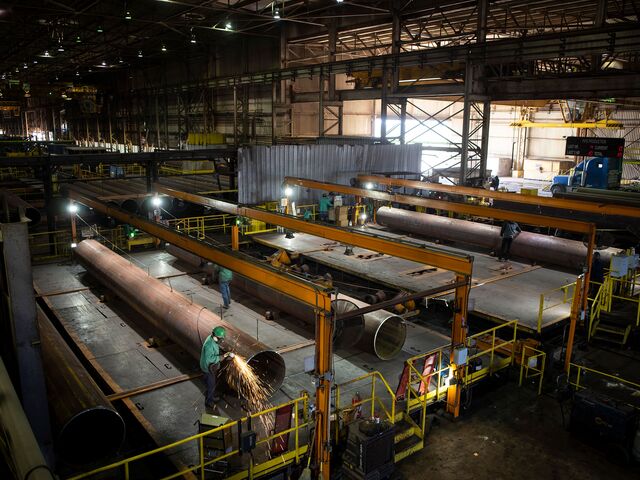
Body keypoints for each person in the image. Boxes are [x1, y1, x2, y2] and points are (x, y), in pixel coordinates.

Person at [200, 326, 233, 409]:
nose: (221, 340)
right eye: (220, 338)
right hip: (207, 368)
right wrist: (224, 355)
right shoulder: (209, 345)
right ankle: (209, 402)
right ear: (215, 336)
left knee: (212, 384)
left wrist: (223, 352)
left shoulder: (212, 338)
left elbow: (215, 348)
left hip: (210, 366)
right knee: (211, 385)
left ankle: (211, 397)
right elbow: (210, 359)